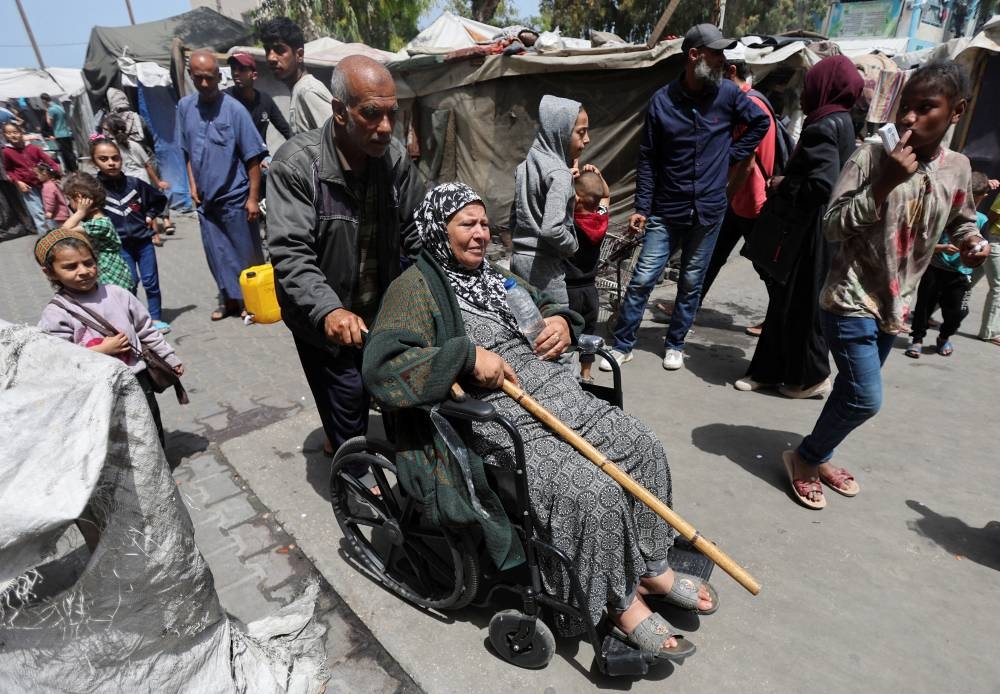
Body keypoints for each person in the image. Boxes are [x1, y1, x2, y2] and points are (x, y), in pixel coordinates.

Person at [364, 182, 717, 661]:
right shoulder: (414, 289)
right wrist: (464, 357)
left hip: (554, 391)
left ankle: (651, 564)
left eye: (485, 223)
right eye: (467, 223)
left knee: (642, 445)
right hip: (495, 414)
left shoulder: (492, 276)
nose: (481, 234)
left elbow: (544, 304)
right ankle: (617, 601)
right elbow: (383, 368)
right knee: (593, 490)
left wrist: (561, 323)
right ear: (437, 230)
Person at [781, 60, 989, 510]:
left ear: (957, 111)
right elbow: (833, 226)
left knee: (849, 390)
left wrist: (972, 241)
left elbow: (961, 218)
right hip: (849, 296)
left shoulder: (957, 167)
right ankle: (806, 456)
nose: (910, 118)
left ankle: (821, 453)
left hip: (897, 306)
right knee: (865, 398)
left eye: (926, 108)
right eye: (906, 107)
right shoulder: (873, 156)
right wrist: (884, 183)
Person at [267, 55, 425, 459]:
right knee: (347, 397)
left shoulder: (394, 160)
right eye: (372, 114)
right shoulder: (296, 165)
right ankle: (353, 479)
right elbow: (291, 253)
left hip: (380, 311)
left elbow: (419, 230)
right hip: (322, 317)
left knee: (394, 389)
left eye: (392, 114)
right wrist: (329, 312)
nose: (386, 128)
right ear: (339, 111)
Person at [600, 23, 769, 373]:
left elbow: (760, 123)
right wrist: (641, 207)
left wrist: (731, 154)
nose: (724, 60)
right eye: (717, 53)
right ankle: (623, 344)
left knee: (692, 281)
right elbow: (647, 157)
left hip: (708, 211)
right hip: (667, 208)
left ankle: (675, 342)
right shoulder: (662, 102)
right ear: (694, 56)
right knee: (644, 278)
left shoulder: (728, 95)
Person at [736, 55, 863, 398]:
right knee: (790, 303)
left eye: (810, 85)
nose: (805, 92)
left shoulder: (822, 125)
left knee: (796, 305)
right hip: (820, 231)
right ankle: (774, 372)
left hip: (807, 233)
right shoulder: (842, 120)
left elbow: (823, 184)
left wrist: (783, 184)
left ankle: (809, 377)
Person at [35, 228, 183, 444]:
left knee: (150, 425)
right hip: (97, 388)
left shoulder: (117, 293)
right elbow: (59, 358)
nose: (83, 271)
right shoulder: (56, 312)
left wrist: (169, 358)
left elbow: (146, 329)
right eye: (70, 267)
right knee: (115, 436)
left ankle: (160, 473)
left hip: (136, 376)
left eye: (88, 262)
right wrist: (101, 350)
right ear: (49, 272)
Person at [177, 49, 267, 321]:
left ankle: (250, 302)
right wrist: (192, 185)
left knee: (245, 252)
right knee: (216, 253)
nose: (204, 84)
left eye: (209, 78)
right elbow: (187, 151)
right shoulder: (184, 108)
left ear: (219, 76)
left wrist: (252, 198)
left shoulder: (234, 110)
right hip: (206, 200)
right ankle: (228, 299)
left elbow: (253, 157)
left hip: (235, 196)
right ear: (191, 76)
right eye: (198, 78)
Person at [698, 46, 777, 335]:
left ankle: (779, 316)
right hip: (738, 198)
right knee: (712, 254)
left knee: (765, 264)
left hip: (750, 199)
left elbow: (749, 160)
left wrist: (724, 196)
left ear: (731, 71)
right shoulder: (749, 101)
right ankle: (690, 305)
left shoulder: (750, 105)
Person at [509, 95, 590, 307]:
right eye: (581, 132)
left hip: (519, 260)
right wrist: (572, 246)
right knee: (557, 327)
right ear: (560, 132)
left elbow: (514, 216)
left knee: (526, 327)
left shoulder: (526, 166)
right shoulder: (560, 174)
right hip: (544, 267)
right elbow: (551, 230)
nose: (587, 139)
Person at [907, 171, 992, 358]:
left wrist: (977, 252)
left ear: (982, 197)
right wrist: (941, 247)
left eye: (975, 198)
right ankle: (917, 339)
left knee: (958, 311)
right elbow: (923, 241)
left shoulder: (982, 220)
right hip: (935, 268)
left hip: (961, 273)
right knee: (923, 307)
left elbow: (983, 245)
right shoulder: (946, 213)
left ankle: (944, 337)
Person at [91, 137, 171, 333]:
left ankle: (155, 318)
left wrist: (150, 215)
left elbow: (159, 200)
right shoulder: (93, 189)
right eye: (104, 159)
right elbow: (79, 209)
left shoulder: (135, 184)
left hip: (144, 241)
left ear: (121, 159)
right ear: (94, 162)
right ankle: (133, 319)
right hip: (118, 246)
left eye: (115, 158)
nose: (111, 163)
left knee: (151, 282)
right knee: (129, 283)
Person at [565, 167, 610, 382]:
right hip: (590, 289)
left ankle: (565, 372)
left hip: (569, 288)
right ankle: (586, 373)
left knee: (566, 332)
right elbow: (607, 197)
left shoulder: (568, 221)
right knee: (589, 331)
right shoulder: (600, 221)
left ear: (577, 198)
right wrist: (599, 177)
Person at [101, 114, 174, 245]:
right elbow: (147, 164)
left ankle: (143, 234)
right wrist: (157, 182)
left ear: (111, 130)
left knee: (135, 209)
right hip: (142, 179)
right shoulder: (134, 144)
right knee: (148, 209)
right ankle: (155, 236)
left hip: (129, 183)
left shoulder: (112, 147)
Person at [60, 172, 134, 292]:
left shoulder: (100, 224)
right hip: (107, 277)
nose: (69, 204)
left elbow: (62, 233)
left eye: (70, 199)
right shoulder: (94, 222)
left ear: (80, 198)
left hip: (112, 279)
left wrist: (80, 212)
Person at [258, 17, 334, 134]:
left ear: (299, 55)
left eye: (279, 50)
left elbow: (339, 141)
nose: (270, 58)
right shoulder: (298, 90)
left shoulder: (308, 91)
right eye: (268, 50)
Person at [2, 122, 61, 234]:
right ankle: (46, 241)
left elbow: (50, 161)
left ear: (21, 132)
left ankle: (57, 236)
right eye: (8, 133)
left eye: (15, 132)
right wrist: (18, 182)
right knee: (38, 214)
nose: (12, 135)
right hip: (28, 188)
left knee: (51, 210)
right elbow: (9, 170)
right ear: (4, 135)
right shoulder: (6, 152)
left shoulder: (33, 148)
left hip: (44, 185)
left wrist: (55, 175)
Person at [226, 52, 293, 143]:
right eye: (233, 69)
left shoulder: (265, 100)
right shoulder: (224, 99)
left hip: (262, 155)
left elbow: (286, 130)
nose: (236, 73)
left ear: (254, 75)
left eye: (242, 69)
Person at [980, 185, 1000, 345]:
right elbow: (992, 215)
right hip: (994, 241)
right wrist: (983, 237)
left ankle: (925, 312)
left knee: (967, 281)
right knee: (998, 286)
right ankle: (989, 331)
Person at [40, 93, 77, 173]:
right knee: (70, 152)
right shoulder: (59, 107)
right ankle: (74, 169)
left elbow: (49, 123)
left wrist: (46, 111)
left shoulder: (51, 109)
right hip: (66, 132)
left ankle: (72, 170)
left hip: (59, 134)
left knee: (66, 154)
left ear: (44, 100)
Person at [36, 163, 69, 229]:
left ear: (44, 173)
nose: (37, 177)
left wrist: (49, 211)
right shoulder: (53, 183)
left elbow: (50, 199)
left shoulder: (47, 186)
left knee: (63, 230)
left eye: (37, 174)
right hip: (63, 212)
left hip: (58, 214)